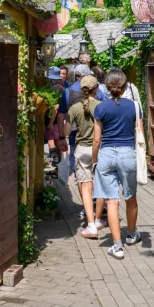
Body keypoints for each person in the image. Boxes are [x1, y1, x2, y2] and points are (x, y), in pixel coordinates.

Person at [92, 69, 143, 259]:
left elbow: (97, 140)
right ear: (124, 86)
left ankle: (117, 246)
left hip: (106, 154)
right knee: (131, 197)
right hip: (127, 154)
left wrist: (95, 159)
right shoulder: (135, 107)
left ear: (106, 86)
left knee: (112, 200)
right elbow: (140, 135)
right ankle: (131, 235)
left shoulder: (101, 108)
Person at [69, 75, 102, 238]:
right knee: (102, 185)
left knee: (85, 188)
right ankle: (99, 219)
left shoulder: (75, 108)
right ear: (96, 89)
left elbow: (65, 131)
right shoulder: (103, 106)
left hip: (82, 149)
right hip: (100, 149)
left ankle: (90, 225)